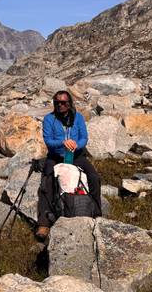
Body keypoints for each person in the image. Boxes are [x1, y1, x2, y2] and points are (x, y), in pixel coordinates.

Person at [36, 90, 101, 240]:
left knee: (93, 177)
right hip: (56, 155)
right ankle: (44, 223)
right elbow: (48, 141)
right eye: (57, 102)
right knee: (47, 181)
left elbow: (84, 137)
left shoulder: (78, 118)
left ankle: (97, 214)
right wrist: (62, 143)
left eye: (63, 102)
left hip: (77, 155)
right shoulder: (49, 119)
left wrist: (76, 145)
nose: (60, 105)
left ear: (69, 103)